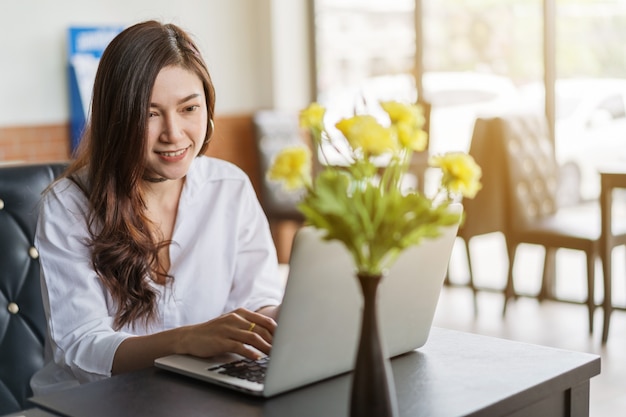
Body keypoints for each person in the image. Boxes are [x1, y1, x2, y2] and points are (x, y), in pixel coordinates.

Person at [31, 20, 283, 395]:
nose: (174, 133)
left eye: (189, 108)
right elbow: (81, 347)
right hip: (98, 403)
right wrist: (185, 340)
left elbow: (258, 300)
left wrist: (290, 319)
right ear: (117, 118)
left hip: (200, 393)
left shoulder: (229, 187)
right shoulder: (68, 205)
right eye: (150, 114)